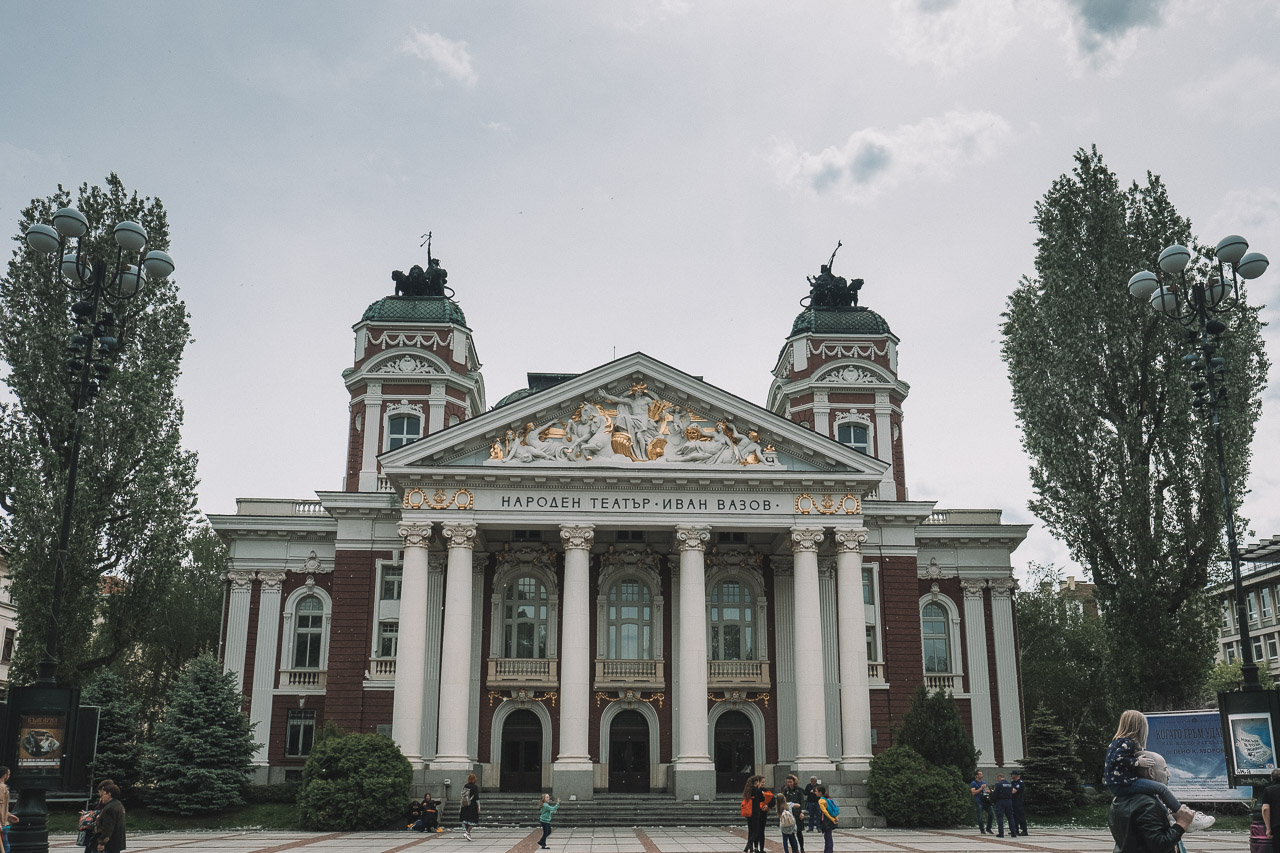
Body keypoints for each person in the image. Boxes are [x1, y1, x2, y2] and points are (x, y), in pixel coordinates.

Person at [1106, 710, 1214, 832]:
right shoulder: (1127, 743)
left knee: (1154, 792)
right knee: (1161, 788)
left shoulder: (1116, 743)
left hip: (1119, 783)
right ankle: (1185, 817)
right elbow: (1116, 759)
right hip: (1123, 783)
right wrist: (1137, 762)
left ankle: (1170, 819)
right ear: (1138, 727)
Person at [1110, 751, 1194, 853]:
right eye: (1165, 769)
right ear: (1151, 772)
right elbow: (1159, 845)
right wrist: (1182, 823)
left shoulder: (1119, 799)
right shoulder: (1148, 804)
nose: (1169, 774)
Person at [92, 782, 126, 853]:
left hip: (110, 844)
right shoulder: (118, 805)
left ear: (109, 794)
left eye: (103, 794)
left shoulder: (109, 808)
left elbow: (108, 827)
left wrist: (102, 843)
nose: (102, 797)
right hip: (117, 841)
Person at [1253, 767, 1280, 848]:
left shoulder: (1269, 790)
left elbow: (1265, 809)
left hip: (1277, 825)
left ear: (1272, 778)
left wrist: (1268, 828)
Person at [780, 774, 806, 853]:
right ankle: (795, 849)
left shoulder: (799, 790)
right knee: (790, 833)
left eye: (790, 782)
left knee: (799, 832)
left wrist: (802, 812)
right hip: (789, 814)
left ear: (794, 782)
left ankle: (802, 848)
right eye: (787, 782)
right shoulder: (785, 790)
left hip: (797, 813)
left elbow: (802, 801)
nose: (789, 784)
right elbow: (782, 800)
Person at [742, 775, 766, 853]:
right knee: (755, 832)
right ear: (757, 782)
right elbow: (762, 799)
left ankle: (751, 849)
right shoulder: (757, 790)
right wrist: (761, 792)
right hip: (755, 813)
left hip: (748, 813)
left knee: (751, 831)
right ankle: (746, 848)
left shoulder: (748, 790)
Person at [992, 773, 1017, 838]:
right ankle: (1014, 833)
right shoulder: (1009, 784)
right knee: (1010, 817)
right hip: (1009, 801)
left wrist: (993, 800)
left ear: (999, 777)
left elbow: (995, 793)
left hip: (1001, 801)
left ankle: (1001, 833)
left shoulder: (999, 784)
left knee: (1000, 817)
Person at [459, 772, 480, 841]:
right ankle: (467, 832)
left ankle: (468, 834)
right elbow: (476, 797)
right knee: (473, 820)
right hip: (472, 805)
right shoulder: (475, 787)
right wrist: (479, 806)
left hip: (465, 805)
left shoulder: (465, 786)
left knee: (466, 820)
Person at [0, 766, 16, 853]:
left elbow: (2, 807)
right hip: (2, 823)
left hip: (3, 822)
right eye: (9, 774)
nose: (9, 776)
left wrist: (9, 815)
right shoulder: (2, 788)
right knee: (5, 847)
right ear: (5, 775)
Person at [817, 785, 837, 853]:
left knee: (827, 836)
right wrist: (835, 818)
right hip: (831, 818)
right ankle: (828, 850)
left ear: (820, 792)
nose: (815, 792)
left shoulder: (821, 801)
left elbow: (825, 812)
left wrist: (831, 819)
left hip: (826, 819)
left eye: (816, 791)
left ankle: (829, 850)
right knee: (828, 835)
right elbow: (835, 808)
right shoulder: (829, 799)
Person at [1010, 770, 1028, 836]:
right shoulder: (1012, 782)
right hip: (1013, 801)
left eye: (1012, 774)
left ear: (1016, 775)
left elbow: (1013, 791)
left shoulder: (1020, 783)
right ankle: (1015, 830)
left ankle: (1024, 830)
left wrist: (1007, 791)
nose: (1011, 775)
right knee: (1014, 816)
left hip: (1018, 802)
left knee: (1021, 816)